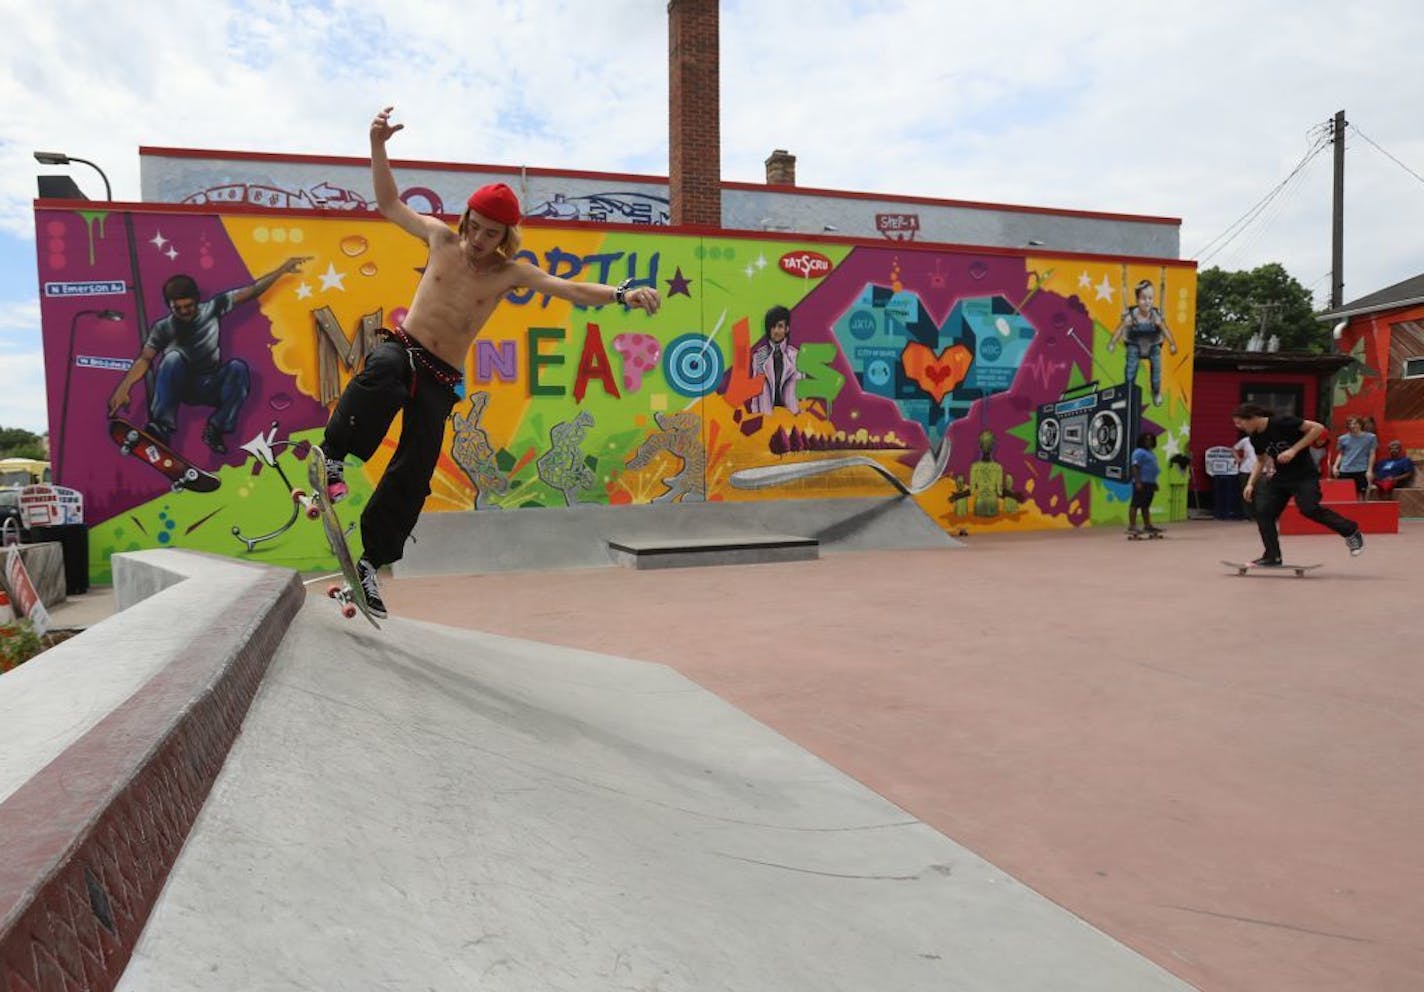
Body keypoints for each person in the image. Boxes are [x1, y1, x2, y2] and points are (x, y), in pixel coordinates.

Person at [317, 106, 661, 618]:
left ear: (506, 238)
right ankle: (335, 457)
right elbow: (389, 203)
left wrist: (620, 294)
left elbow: (568, 289)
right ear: (465, 221)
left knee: (416, 469)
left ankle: (369, 566)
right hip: (406, 348)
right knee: (382, 372)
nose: (479, 242)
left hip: (441, 378)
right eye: (475, 229)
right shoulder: (438, 237)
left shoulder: (510, 273)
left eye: (491, 235)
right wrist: (378, 145)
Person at [108, 259, 310, 454]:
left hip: (210, 384)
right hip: (182, 385)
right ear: (170, 306)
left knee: (238, 368)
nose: (184, 312)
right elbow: (145, 358)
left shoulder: (213, 307)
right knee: (172, 359)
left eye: (189, 306)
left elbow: (253, 291)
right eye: (177, 308)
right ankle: (161, 426)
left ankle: (216, 428)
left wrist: (282, 269)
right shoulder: (163, 327)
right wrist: (124, 388)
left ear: (196, 300)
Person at [1233, 403, 1364, 566]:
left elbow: (1317, 428)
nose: (1239, 427)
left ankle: (1350, 530)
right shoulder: (1255, 437)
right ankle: (1272, 556)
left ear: (1252, 418)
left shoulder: (1281, 422)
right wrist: (1250, 484)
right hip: (1280, 478)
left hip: (1304, 476)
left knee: (1309, 509)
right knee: (1264, 513)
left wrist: (1293, 450)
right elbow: (1260, 461)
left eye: (1240, 423)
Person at [1107, 279, 1179, 407]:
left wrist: (1172, 343)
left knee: (1156, 371)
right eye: (1143, 298)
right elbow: (1120, 328)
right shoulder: (1131, 316)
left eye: (1150, 298)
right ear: (1137, 300)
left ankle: (1156, 392)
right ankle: (1128, 392)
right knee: (1130, 369)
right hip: (1134, 343)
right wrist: (1113, 342)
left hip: (1153, 345)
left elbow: (1164, 329)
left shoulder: (1155, 316)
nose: (1147, 302)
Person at [748, 304, 801, 413]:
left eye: (780, 326)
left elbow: (802, 392)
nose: (776, 331)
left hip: (791, 418)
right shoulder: (759, 357)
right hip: (767, 419)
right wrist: (755, 417)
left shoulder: (796, 357)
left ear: (787, 329)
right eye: (773, 327)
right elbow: (755, 394)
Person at [1331, 416, 1377, 499]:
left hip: (1361, 469)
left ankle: (1361, 511)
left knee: (1361, 494)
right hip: (1345, 469)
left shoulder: (1371, 437)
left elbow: (1372, 453)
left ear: (1360, 424)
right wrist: (1335, 467)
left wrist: (1370, 470)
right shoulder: (1342, 439)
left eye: (1355, 423)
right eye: (1350, 424)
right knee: (1344, 494)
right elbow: (1341, 454)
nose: (1352, 426)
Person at [1127, 431, 1161, 536]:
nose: (1149, 441)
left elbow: (1152, 468)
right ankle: (1132, 526)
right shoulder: (1138, 452)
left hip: (1150, 483)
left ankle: (1148, 526)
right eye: (1146, 439)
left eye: (1151, 439)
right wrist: (1137, 482)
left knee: (1146, 506)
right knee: (1135, 504)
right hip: (1141, 482)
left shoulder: (1151, 453)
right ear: (1142, 440)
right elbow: (1135, 467)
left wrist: (1154, 482)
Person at [1232, 430, 1257, 521]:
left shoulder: (1264, 439)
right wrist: (1238, 459)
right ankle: (1248, 515)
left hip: (1259, 471)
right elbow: (1234, 449)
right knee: (1246, 493)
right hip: (1245, 470)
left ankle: (1258, 514)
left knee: (1259, 493)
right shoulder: (1245, 441)